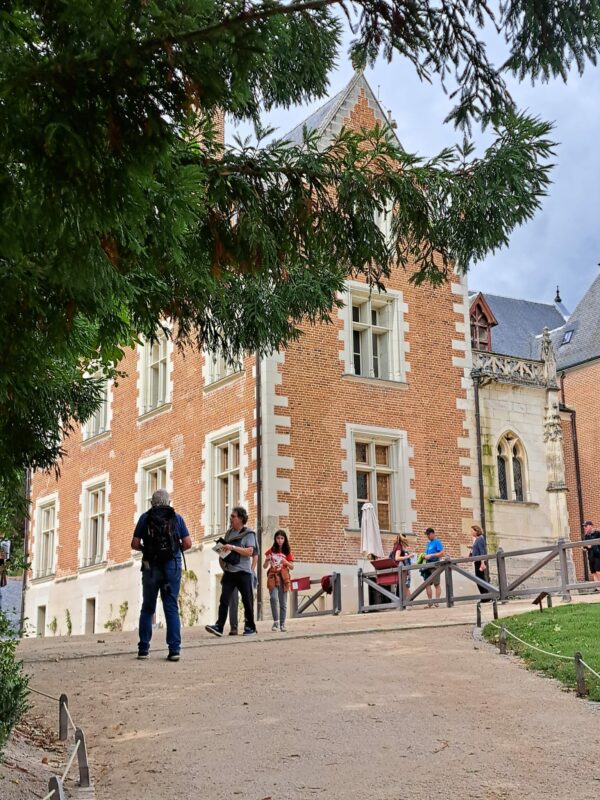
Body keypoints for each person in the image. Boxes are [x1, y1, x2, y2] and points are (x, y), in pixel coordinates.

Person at [131, 489, 192, 661]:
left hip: (151, 566)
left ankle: (143, 649)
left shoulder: (145, 518)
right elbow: (187, 543)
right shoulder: (176, 518)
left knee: (148, 607)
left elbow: (134, 543)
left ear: (152, 502)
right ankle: (174, 650)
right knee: (171, 606)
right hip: (172, 565)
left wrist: (146, 550)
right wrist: (174, 549)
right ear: (168, 501)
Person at [206, 506, 257, 637]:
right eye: (231, 516)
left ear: (240, 518)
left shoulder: (249, 534)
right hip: (229, 572)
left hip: (243, 572)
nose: (231, 518)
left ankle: (250, 627)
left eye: (233, 516)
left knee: (247, 600)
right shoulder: (229, 533)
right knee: (224, 600)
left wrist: (233, 547)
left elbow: (250, 552)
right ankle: (219, 626)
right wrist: (221, 549)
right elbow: (226, 549)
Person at [264, 530, 294, 632]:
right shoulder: (271, 551)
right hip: (273, 576)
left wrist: (285, 562)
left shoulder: (287, 552)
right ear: (275, 539)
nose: (280, 540)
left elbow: (292, 566)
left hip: (283, 577)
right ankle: (276, 622)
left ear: (284, 539)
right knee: (273, 598)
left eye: (282, 538)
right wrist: (267, 561)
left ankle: (282, 624)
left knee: (283, 602)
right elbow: (264, 567)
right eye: (278, 538)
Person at [228, 546, 259, 635]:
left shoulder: (248, 536)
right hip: (232, 572)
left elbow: (255, 555)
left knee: (248, 601)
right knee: (233, 601)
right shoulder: (231, 536)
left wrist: (251, 570)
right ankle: (233, 627)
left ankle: (249, 625)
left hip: (245, 573)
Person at [422, 527, 445, 607]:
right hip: (427, 565)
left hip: (435, 565)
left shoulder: (437, 542)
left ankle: (437, 601)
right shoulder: (428, 544)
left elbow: (442, 554)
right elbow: (426, 553)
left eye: (428, 535)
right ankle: (430, 602)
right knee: (427, 584)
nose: (427, 536)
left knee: (436, 584)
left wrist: (431, 555)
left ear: (432, 534)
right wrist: (424, 556)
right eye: (426, 535)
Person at [469, 525, 488, 597]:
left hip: (480, 561)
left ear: (476, 531)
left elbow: (482, 551)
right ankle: (485, 596)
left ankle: (486, 596)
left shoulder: (480, 539)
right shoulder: (478, 539)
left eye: (472, 531)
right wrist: (471, 547)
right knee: (479, 579)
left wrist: (482, 563)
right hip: (478, 561)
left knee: (480, 579)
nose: (471, 532)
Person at [583, 520, 600, 590]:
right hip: (591, 556)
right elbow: (584, 546)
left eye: (586, 526)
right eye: (584, 526)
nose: (584, 527)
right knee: (593, 572)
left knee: (598, 572)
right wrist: (586, 547)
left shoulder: (597, 533)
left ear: (590, 526)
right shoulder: (586, 536)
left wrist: (592, 546)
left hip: (598, 555)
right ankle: (598, 588)